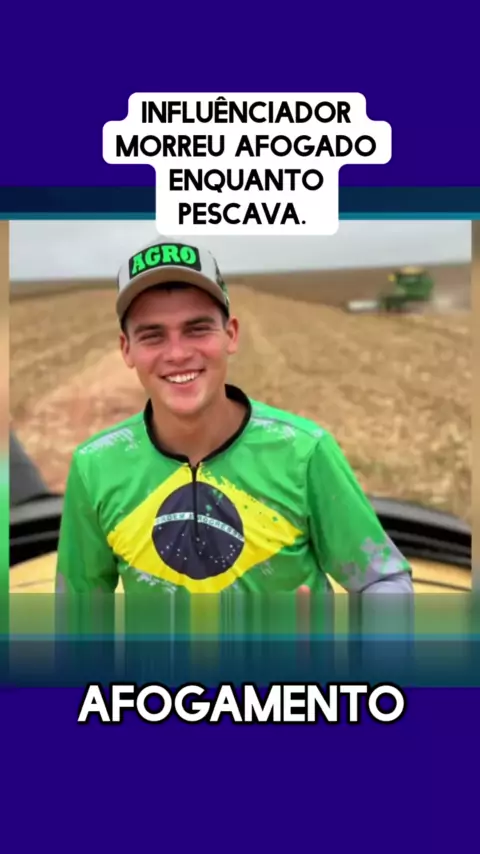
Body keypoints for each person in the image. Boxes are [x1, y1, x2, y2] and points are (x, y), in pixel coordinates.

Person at [55, 236, 413, 600]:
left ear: (231, 335)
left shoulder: (303, 452)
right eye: (153, 336)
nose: (177, 353)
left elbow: (381, 579)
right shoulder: (94, 467)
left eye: (197, 329)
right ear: (126, 349)